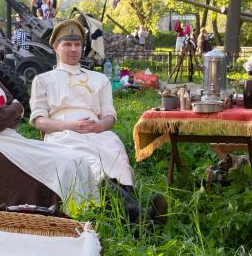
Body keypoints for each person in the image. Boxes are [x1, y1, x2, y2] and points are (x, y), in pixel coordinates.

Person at [0, 21, 103, 210]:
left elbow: (12, 108)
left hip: (2, 137)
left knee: (75, 159)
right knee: (62, 164)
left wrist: (5, 115)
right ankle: (60, 212)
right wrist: (5, 114)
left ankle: (86, 209)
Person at [30, 19, 163, 223]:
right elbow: (39, 121)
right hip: (62, 134)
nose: (73, 49)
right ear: (56, 47)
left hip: (97, 133)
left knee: (115, 153)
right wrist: (71, 126)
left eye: (77, 44)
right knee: (88, 162)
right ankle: (140, 215)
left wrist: (100, 126)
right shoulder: (43, 80)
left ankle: (131, 213)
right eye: (67, 44)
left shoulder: (99, 79)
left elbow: (109, 115)